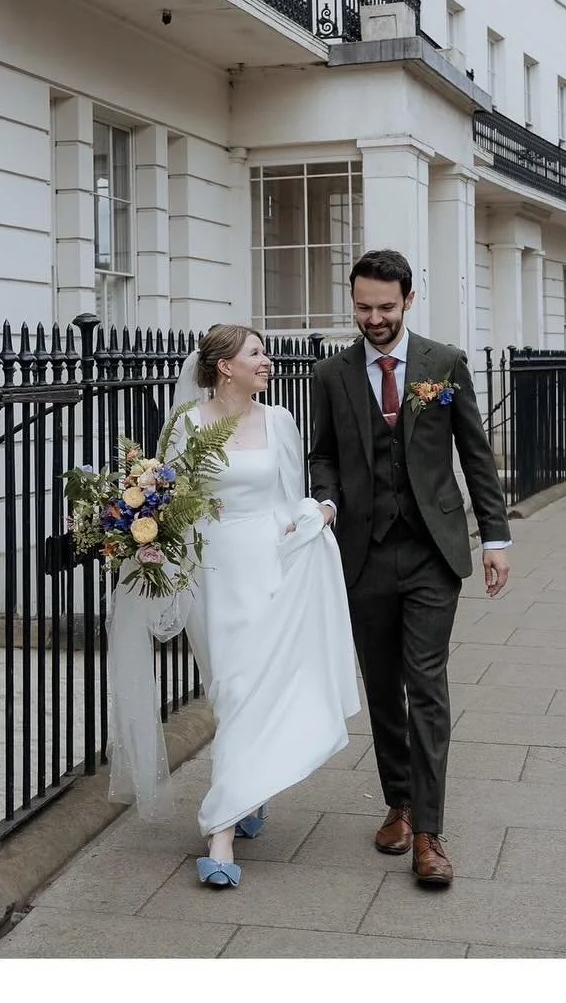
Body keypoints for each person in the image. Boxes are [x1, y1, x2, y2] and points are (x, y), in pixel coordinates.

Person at [105, 324, 360, 889]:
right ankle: (247, 795)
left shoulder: (280, 422)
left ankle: (219, 833)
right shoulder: (188, 427)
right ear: (224, 366)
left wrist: (319, 510)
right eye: (257, 353)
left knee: (250, 689)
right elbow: (168, 503)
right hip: (214, 569)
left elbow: (291, 494)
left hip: (269, 564)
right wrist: (150, 547)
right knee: (228, 689)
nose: (267, 361)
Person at [309, 248, 511, 887]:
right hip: (363, 553)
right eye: (363, 306)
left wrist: (496, 537)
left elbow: (474, 453)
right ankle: (397, 800)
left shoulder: (442, 364)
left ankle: (429, 832)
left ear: (409, 300)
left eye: (385, 307)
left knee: (425, 683)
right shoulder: (331, 374)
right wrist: (327, 498)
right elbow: (322, 455)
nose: (374, 318)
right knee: (382, 684)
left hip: (432, 550)